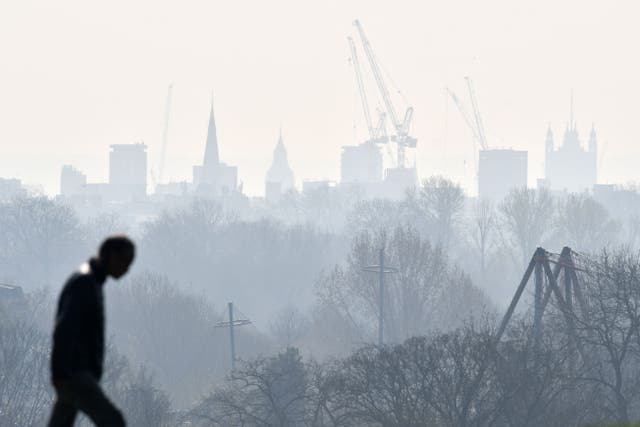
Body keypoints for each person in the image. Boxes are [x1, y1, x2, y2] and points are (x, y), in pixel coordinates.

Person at [47, 235, 135, 427]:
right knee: (113, 421)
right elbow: (64, 329)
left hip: (71, 371)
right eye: (124, 262)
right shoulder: (85, 283)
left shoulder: (89, 280)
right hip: (75, 372)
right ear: (110, 256)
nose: (127, 268)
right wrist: (60, 372)